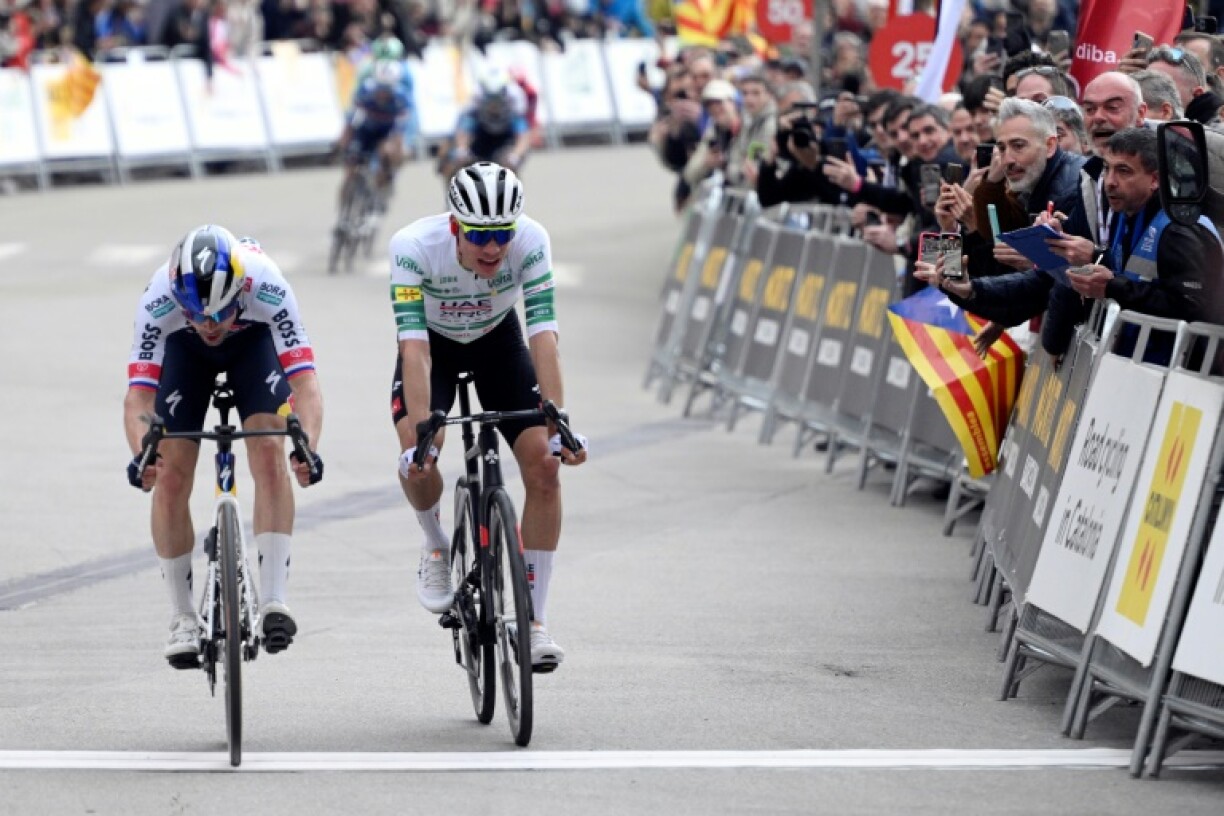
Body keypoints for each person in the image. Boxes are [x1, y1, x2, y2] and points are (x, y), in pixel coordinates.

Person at [388, 162, 588, 672]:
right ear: (455, 224)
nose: (494, 248)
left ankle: (535, 624)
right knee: (421, 457)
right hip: (434, 348)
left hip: (499, 342)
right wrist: (421, 433)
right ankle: (435, 546)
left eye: (502, 233)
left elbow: (544, 336)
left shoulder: (532, 241)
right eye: (480, 234)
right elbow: (412, 350)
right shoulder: (412, 248)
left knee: (545, 466)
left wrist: (558, 420)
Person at [123, 226, 324, 668]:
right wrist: (143, 455)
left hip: (252, 346)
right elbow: (139, 397)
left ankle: (273, 599)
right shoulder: (159, 299)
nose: (211, 324)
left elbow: (305, 383)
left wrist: (306, 447)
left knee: (271, 451)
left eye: (222, 311)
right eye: (199, 313)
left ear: (241, 290)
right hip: (184, 353)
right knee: (171, 473)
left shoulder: (268, 284)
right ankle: (182, 618)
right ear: (179, 299)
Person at [337, 59, 412, 212]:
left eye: (387, 89)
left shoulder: (401, 97)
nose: (382, 94)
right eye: (380, 88)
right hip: (366, 130)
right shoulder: (365, 90)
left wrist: (395, 153)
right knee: (350, 166)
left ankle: (384, 185)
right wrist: (343, 140)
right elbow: (352, 119)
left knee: (389, 153)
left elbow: (400, 131)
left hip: (387, 132)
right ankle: (343, 209)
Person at [440, 65, 532, 179]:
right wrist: (461, 150)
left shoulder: (515, 101)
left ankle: (511, 192)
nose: (494, 104)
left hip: (504, 140)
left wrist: (515, 155)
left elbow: (523, 136)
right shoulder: (474, 100)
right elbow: (464, 130)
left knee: (509, 167)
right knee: (453, 161)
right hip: (479, 138)